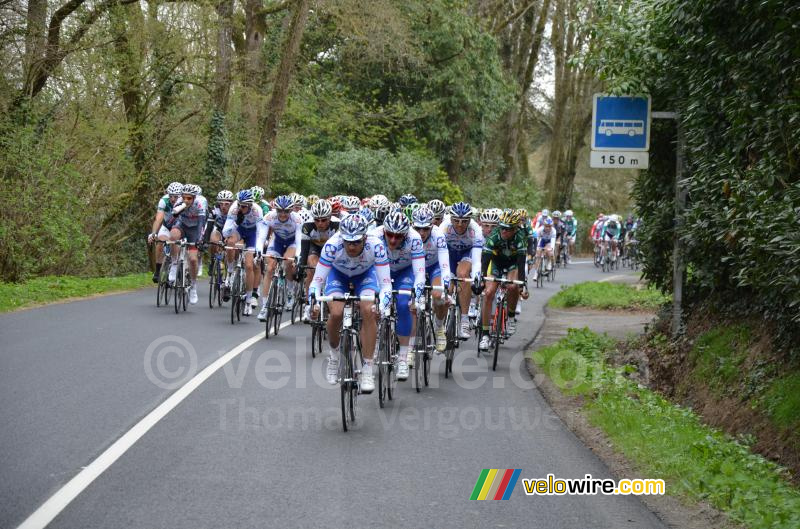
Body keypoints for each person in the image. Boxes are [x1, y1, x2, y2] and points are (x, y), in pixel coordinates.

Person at [309, 214, 392, 393]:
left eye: (356, 242)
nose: (351, 246)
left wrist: (383, 304)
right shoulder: (332, 245)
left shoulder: (376, 245)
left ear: (364, 238)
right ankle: (334, 355)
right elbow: (316, 282)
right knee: (337, 312)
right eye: (347, 242)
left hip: (365, 276)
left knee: (368, 309)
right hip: (338, 275)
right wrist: (313, 301)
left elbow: (386, 285)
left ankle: (368, 368)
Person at [373, 210, 426, 381]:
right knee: (371, 303)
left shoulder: (415, 238)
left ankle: (403, 358)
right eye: (390, 235)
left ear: (406, 234)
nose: (393, 240)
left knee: (404, 304)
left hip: (405, 272)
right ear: (383, 231)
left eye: (399, 236)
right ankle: (374, 343)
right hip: (381, 271)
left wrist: (417, 294)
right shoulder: (374, 235)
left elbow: (419, 273)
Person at [475, 210, 529, 350]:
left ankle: (511, 317)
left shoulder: (520, 237)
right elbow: (485, 259)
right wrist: (481, 278)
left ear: (515, 229)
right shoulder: (494, 235)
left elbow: (522, 263)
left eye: (508, 229)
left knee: (512, 286)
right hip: (496, 263)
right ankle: (485, 335)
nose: (504, 231)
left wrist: (522, 285)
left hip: (513, 264)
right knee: (488, 293)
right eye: (502, 227)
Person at [440, 201, 484, 339]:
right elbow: (440, 253)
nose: (459, 224)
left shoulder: (476, 230)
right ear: (450, 218)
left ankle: (464, 320)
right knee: (448, 286)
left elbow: (477, 260)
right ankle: (440, 324)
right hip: (449, 254)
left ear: (470, 220)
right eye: (456, 220)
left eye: (464, 221)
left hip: (467, 253)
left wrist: (476, 277)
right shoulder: (444, 227)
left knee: (463, 274)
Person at [256, 195, 303, 321]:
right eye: (280, 211)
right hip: (276, 241)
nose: (282, 214)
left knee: (288, 263)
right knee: (270, 269)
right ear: (275, 210)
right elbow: (261, 237)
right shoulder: (269, 217)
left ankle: (289, 292)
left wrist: (298, 255)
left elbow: (299, 240)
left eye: (286, 211)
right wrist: (259, 251)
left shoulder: (297, 219)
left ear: (291, 210)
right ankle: (265, 306)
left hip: (291, 243)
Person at [412, 206, 451, 352]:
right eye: (418, 228)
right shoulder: (407, 235)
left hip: (434, 267)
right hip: (414, 268)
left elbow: (444, 263)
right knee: (410, 300)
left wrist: (446, 281)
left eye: (425, 229)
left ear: (432, 226)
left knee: (438, 296)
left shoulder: (438, 235)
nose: (421, 233)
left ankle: (439, 328)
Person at [221, 189, 264, 313]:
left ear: (250, 205)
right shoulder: (234, 208)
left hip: (252, 234)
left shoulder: (257, 211)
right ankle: (229, 273)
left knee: (250, 266)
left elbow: (261, 232)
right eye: (239, 204)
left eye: (244, 206)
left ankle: (249, 300)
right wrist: (235, 222)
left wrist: (259, 249)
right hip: (239, 230)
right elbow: (225, 232)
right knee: (230, 242)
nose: (241, 207)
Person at [297, 199, 340, 321]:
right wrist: (301, 266)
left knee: (332, 269)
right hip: (315, 247)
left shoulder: (338, 225)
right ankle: (309, 304)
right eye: (317, 220)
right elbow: (304, 250)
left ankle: (328, 295)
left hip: (332, 249)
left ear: (330, 217)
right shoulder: (307, 226)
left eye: (324, 220)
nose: (320, 223)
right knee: (312, 268)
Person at [168, 184, 206, 304]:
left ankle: (193, 287)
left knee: (193, 259)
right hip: (182, 225)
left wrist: (200, 239)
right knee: (173, 235)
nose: (186, 200)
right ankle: (174, 264)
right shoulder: (180, 202)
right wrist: (175, 213)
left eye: (189, 198)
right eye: (184, 197)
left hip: (195, 229)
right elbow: (170, 221)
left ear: (194, 198)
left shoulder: (200, 203)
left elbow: (201, 223)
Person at [148, 181, 183, 283]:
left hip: (181, 228)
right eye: (171, 196)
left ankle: (179, 267)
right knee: (160, 241)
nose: (172, 199)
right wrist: (154, 233)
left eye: (176, 197)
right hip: (167, 226)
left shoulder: (185, 203)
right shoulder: (164, 200)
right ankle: (158, 270)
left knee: (178, 245)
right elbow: (158, 218)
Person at [532, 217, 557, 281]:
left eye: (549, 226)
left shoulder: (553, 231)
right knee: (538, 256)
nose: (548, 228)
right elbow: (536, 239)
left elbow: (553, 242)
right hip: (542, 240)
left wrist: (551, 249)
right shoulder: (540, 229)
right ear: (544, 225)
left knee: (550, 252)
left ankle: (549, 263)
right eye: (546, 226)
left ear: (551, 226)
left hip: (549, 241)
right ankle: (536, 273)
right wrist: (536, 248)